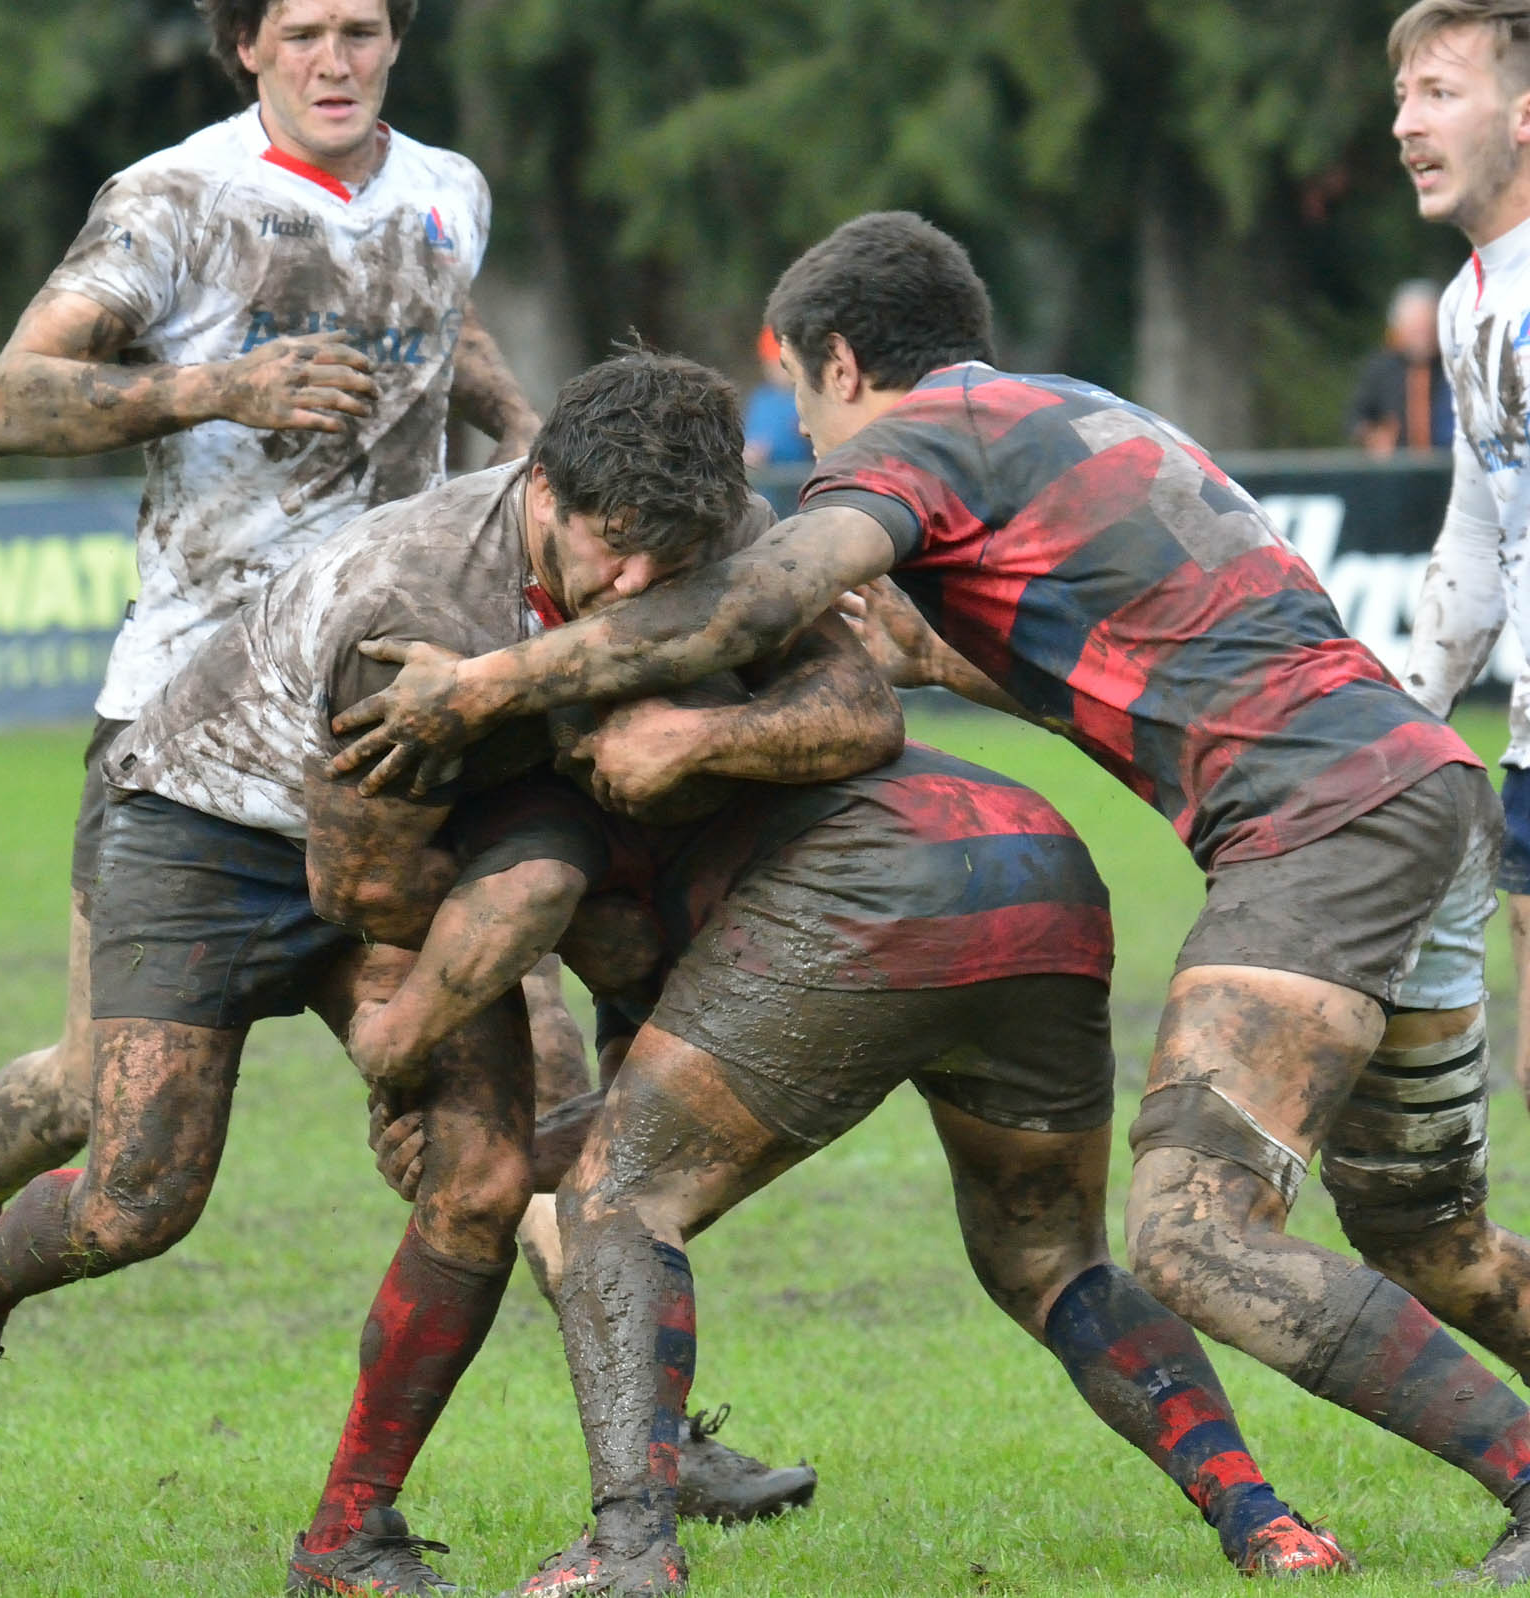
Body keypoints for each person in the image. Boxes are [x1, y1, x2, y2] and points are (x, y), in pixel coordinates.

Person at [327, 210, 1530, 1583]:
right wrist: (916, 654)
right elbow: (1108, 652)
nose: (810, 441)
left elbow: (750, 603)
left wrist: (488, 682)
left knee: (1193, 1234)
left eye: (800, 398)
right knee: (1425, 1233)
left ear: (841, 361)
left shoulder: (917, 441)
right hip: (1419, 789)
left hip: (1322, 823)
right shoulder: (1069, 411)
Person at [0, 354, 891, 1594]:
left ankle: (346, 1534)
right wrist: (404, 1044)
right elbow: (363, 884)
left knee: (479, 1181)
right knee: (140, 1196)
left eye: (667, 561)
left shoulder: (718, 533)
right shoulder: (416, 604)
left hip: (450, 816)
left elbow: (861, 709)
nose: (634, 587)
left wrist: (700, 735)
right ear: (544, 489)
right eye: (613, 549)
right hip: (216, 827)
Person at [0, 0, 568, 1425]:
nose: (336, 60)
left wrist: (532, 438)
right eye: (303, 32)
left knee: (528, 1086)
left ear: (399, 38)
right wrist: (217, 386)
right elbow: (11, 400)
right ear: (247, 46)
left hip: (388, 727)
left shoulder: (447, 190)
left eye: (363, 29)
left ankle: (649, 1435)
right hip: (186, 737)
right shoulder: (177, 197)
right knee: (89, 1101)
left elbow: (443, 320)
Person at [348, 726, 1354, 1589]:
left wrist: (470, 1138)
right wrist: (518, 1150)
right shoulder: (663, 834)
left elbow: (628, 1153)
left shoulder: (558, 837)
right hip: (1030, 861)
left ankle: (629, 1548)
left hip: (871, 887)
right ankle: (1266, 1522)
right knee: (1051, 1260)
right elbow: (649, 1106)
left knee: (615, 1202)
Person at [1392, 0, 1530, 1118]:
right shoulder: (1464, 304)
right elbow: (1479, 534)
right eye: (1402, 97)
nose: (1406, 123)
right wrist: (1402, 723)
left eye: (1439, 92)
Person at [1348, 278, 1456, 454]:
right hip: (1397, 464)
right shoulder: (1381, 369)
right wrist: (1373, 436)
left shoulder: (1453, 367)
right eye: (1416, 329)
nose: (1423, 337)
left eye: (1429, 328)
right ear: (1399, 328)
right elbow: (1356, 418)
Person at [741, 326, 813, 468]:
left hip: (799, 475)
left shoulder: (808, 398)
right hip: (767, 478)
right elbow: (750, 438)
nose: (776, 371)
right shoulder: (761, 399)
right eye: (770, 364)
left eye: (781, 365)